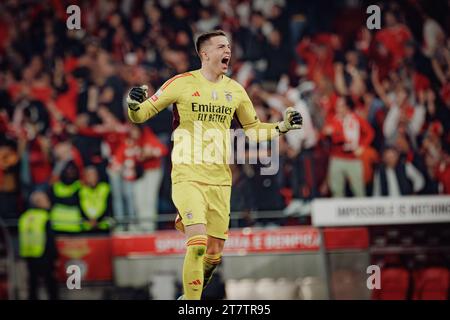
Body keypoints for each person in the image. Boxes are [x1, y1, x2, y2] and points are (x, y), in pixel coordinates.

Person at [127, 30, 302, 300]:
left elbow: (253, 130)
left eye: (229, 46)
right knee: (196, 245)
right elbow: (141, 114)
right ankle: (191, 304)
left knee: (213, 254)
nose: (228, 51)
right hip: (187, 176)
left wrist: (282, 127)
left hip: (220, 181)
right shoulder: (181, 83)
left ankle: (189, 296)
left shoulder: (235, 90)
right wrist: (132, 104)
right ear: (204, 54)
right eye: (221, 46)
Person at [18, 191, 59, 300]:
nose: (48, 202)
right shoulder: (44, 217)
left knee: (33, 283)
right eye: (45, 199)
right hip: (44, 254)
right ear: (39, 203)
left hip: (29, 254)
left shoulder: (25, 217)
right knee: (50, 283)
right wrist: (54, 256)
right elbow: (49, 239)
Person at [79, 166, 112, 233]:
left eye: (93, 174)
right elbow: (80, 208)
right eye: (89, 175)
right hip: (86, 227)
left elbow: (109, 207)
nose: (91, 177)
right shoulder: (81, 190)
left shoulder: (105, 188)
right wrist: (88, 220)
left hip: (103, 226)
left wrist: (98, 220)